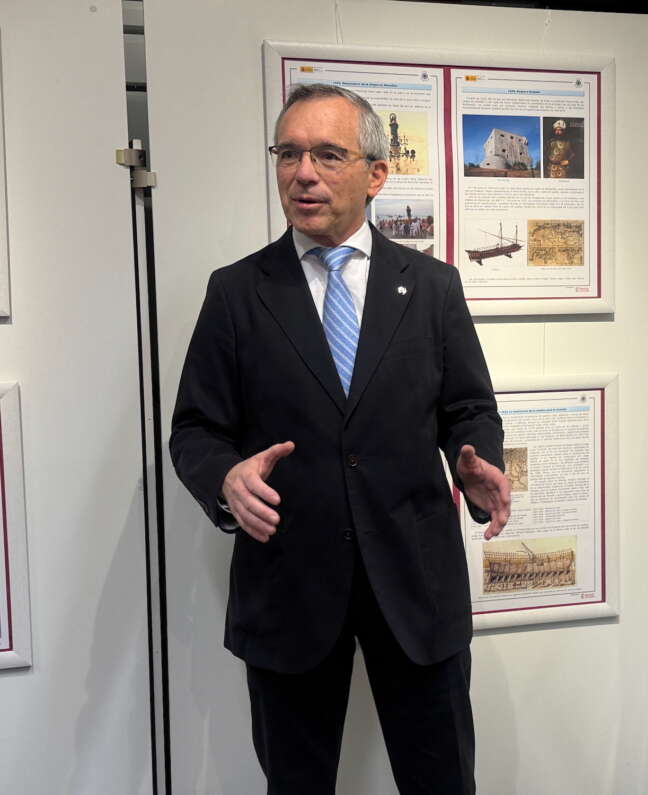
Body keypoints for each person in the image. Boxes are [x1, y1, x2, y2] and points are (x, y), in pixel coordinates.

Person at [169, 82, 510, 795]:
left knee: (443, 779)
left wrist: (476, 462)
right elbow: (196, 429)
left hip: (416, 585)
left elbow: (470, 408)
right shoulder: (237, 292)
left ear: (376, 173)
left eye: (327, 154)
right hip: (289, 588)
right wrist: (226, 480)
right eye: (288, 154)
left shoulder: (433, 285)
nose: (303, 173)